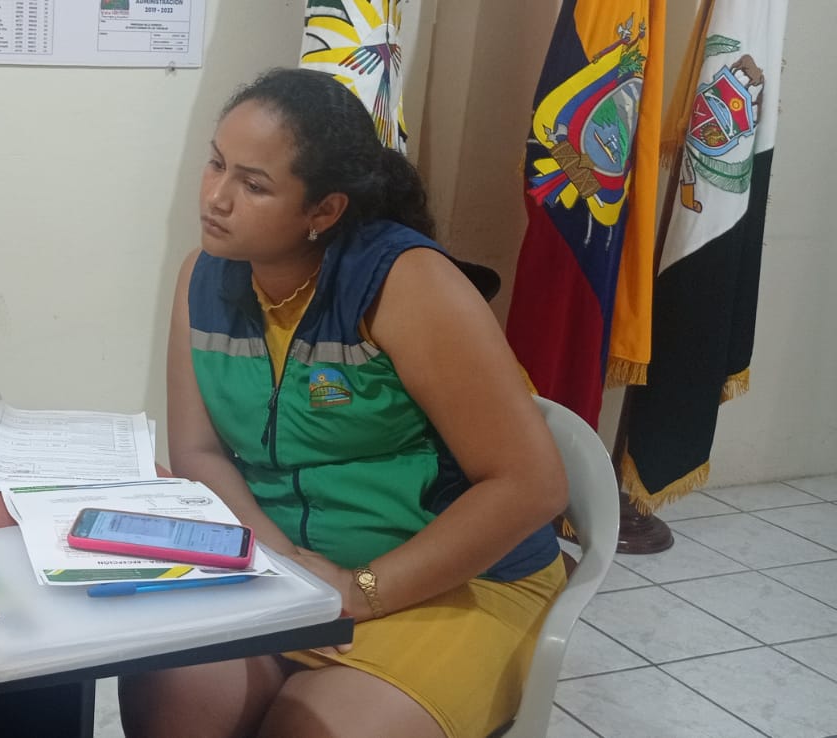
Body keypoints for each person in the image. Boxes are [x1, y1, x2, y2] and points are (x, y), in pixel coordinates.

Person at [120, 68, 568, 738]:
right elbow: (199, 452)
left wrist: (359, 590)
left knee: (310, 728)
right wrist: (287, 574)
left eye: (254, 184)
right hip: (293, 566)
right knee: (167, 689)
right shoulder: (202, 277)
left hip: (453, 580)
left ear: (323, 211)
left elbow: (531, 485)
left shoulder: (405, 282)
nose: (216, 197)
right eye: (216, 164)